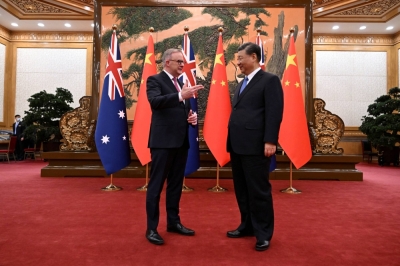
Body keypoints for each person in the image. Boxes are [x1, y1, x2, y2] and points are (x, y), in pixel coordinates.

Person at [226, 42, 284, 251]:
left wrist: (270, 140)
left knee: (259, 191)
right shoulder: (242, 83)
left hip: (256, 146)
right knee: (242, 190)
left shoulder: (270, 80)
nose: (238, 62)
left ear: (253, 57)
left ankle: (263, 233)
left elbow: (274, 113)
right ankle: (247, 226)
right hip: (238, 145)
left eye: (241, 58)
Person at [145, 48, 204, 245]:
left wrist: (190, 117)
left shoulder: (180, 84)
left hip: (180, 142)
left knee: (176, 186)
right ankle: (151, 228)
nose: (182, 65)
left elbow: (178, 108)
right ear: (167, 62)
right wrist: (181, 96)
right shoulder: (155, 80)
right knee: (155, 186)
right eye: (179, 61)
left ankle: (173, 222)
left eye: (183, 62)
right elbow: (155, 102)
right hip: (162, 143)